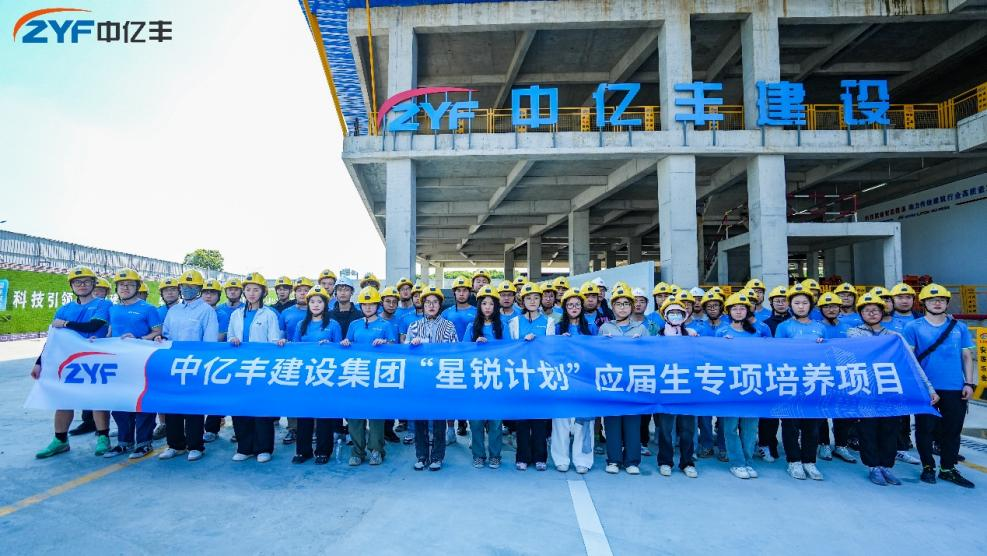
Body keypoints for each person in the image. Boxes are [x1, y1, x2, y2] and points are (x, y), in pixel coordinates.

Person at [848, 292, 938, 486]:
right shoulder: (853, 334)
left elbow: (912, 363)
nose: (872, 313)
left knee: (890, 429)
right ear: (860, 314)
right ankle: (873, 467)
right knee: (868, 429)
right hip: (866, 390)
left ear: (883, 312)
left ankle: (886, 466)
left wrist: (928, 388)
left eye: (876, 310)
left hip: (890, 390)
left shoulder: (895, 337)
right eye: (867, 310)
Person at [33, 266, 113, 459]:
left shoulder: (103, 305)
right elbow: (53, 339)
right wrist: (39, 362)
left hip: (95, 359)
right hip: (69, 361)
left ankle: (103, 438)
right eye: (77, 282)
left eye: (86, 281)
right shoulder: (64, 309)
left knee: (97, 399)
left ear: (93, 284)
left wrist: (66, 324)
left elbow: (93, 326)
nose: (82, 285)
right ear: (71, 285)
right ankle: (60, 440)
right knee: (63, 399)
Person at [904, 284, 977, 488]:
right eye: (932, 300)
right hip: (926, 389)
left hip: (955, 387)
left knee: (952, 430)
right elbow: (909, 359)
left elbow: (967, 356)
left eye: (942, 300)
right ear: (924, 303)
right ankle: (928, 466)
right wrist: (916, 386)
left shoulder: (959, 327)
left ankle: (948, 468)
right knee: (925, 429)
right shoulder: (913, 327)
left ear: (946, 303)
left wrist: (969, 383)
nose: (937, 303)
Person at [157, 270, 219, 462]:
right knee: (173, 405)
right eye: (184, 286)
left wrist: (203, 365)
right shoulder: (173, 311)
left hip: (195, 365)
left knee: (193, 407)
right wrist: (160, 339)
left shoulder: (207, 311)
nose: (187, 290)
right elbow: (167, 335)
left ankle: (195, 446)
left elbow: (210, 341)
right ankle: (175, 445)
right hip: (173, 365)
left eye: (192, 287)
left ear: (199, 289)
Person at [103, 268, 164, 459]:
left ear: (137, 287)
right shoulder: (112, 309)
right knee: (120, 402)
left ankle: (144, 443)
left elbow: (157, 332)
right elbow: (110, 332)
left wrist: (138, 339)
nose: (125, 288)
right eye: (121, 285)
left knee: (142, 402)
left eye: (130, 284)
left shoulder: (148, 309)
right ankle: (124, 442)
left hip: (141, 362)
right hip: (118, 363)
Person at [227, 272, 285, 463]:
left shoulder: (269, 314)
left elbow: (274, 340)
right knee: (241, 408)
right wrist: (233, 340)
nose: (251, 293)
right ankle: (244, 448)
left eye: (256, 290)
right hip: (240, 367)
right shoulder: (236, 314)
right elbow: (230, 336)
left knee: (261, 409)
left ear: (263, 292)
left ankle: (264, 448)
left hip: (261, 367)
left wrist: (278, 344)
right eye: (248, 289)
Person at [340, 286, 398, 466]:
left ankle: (376, 450)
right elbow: (347, 344)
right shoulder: (354, 325)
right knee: (355, 415)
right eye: (364, 304)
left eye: (371, 304)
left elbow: (394, 348)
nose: (368, 307)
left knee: (376, 416)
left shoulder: (385, 325)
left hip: (377, 376)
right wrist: (345, 342)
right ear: (360, 306)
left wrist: (385, 343)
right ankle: (357, 452)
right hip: (357, 374)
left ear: (377, 306)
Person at [775, 283, 826, 480]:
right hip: (791, 380)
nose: (801, 306)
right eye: (797, 303)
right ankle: (794, 461)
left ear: (811, 305)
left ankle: (809, 461)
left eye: (805, 303)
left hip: (814, 380)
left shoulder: (820, 328)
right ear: (790, 305)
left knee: (812, 425)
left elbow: (829, 353)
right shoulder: (784, 327)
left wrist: (822, 346)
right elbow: (777, 353)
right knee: (790, 424)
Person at [406, 286, 459, 470]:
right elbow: (405, 354)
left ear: (440, 305)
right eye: (427, 302)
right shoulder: (414, 326)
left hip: (440, 377)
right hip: (420, 379)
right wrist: (412, 345)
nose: (431, 305)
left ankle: (437, 456)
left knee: (438, 420)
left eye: (435, 302)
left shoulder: (449, 326)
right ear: (422, 304)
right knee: (420, 418)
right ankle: (421, 455)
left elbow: (455, 351)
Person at [715, 292, 768, 479]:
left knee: (750, 427)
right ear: (729, 311)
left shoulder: (757, 332)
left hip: (752, 383)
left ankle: (748, 461)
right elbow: (715, 358)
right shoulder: (722, 332)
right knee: (730, 427)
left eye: (742, 308)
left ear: (748, 311)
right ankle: (737, 462)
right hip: (731, 385)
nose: (738, 311)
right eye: (735, 308)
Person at [597, 287, 649, 475]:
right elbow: (597, 355)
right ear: (612, 307)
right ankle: (613, 460)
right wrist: (604, 343)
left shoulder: (641, 329)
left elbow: (650, 355)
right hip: (612, 381)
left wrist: (641, 345)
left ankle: (632, 461)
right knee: (612, 422)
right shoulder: (605, 328)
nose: (623, 307)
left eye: (626, 304)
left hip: (634, 382)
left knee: (632, 422)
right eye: (618, 304)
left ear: (632, 307)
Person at [292, 286, 343, 465]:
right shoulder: (301, 325)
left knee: (323, 415)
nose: (315, 305)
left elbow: (340, 350)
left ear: (325, 304)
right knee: (304, 415)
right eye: (312, 301)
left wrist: (330, 346)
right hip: (305, 375)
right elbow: (294, 348)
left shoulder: (333, 325)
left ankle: (323, 451)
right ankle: (303, 451)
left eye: (319, 301)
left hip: (325, 375)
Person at [507, 283, 555, 471]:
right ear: (523, 301)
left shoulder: (548, 322)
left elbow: (551, 348)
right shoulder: (514, 322)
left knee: (540, 418)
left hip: (540, 374)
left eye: (536, 298)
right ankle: (522, 457)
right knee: (522, 419)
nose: (532, 301)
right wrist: (523, 342)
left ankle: (540, 457)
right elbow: (510, 349)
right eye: (528, 298)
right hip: (520, 374)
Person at [550, 288, 598, 474]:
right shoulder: (557, 328)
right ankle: (560, 458)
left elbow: (599, 352)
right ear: (564, 308)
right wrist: (559, 341)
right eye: (570, 305)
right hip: (563, 380)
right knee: (561, 421)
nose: (574, 308)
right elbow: (549, 352)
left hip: (584, 381)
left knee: (583, 422)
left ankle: (583, 459)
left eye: (577, 304)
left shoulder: (591, 328)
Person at [653, 296, 699, 478]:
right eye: (671, 313)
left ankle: (687, 462)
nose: (675, 316)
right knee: (665, 429)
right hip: (666, 388)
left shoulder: (691, 334)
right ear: (665, 315)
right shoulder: (658, 336)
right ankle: (665, 461)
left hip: (687, 388)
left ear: (684, 315)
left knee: (687, 428)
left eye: (678, 313)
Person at [464, 285, 505, 469]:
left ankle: (495, 455)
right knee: (476, 421)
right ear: (479, 305)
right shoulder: (471, 327)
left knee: (495, 421)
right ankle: (478, 455)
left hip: (496, 379)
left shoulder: (502, 326)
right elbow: (463, 352)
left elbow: (510, 351)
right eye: (484, 303)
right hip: (476, 379)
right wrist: (475, 344)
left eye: (491, 304)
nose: (488, 307)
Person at [277, 277, 313, 445]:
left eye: (306, 290)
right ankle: (293, 428)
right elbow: (280, 334)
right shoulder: (286, 313)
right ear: (295, 293)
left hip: (313, 360)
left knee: (311, 394)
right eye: (299, 290)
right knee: (292, 394)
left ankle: (313, 428)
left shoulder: (317, 311)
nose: (303, 293)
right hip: (291, 359)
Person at [441, 276, 477, 341]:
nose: (461, 294)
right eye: (458, 290)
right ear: (454, 293)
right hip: (451, 347)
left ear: (470, 293)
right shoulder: (446, 313)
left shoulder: (477, 312)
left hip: (471, 347)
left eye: (465, 291)